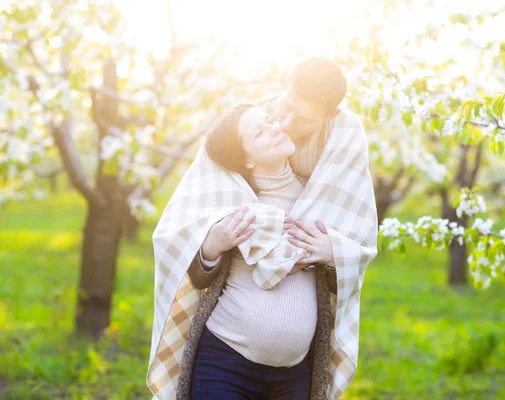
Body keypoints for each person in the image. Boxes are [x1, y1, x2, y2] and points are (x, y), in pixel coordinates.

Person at [147, 57, 378, 400]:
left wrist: (334, 254)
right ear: (247, 158)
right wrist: (212, 245)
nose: (282, 125)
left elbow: (346, 264)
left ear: (327, 119)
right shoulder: (235, 199)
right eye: (275, 116)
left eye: (297, 120)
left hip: (294, 374)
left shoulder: (322, 197)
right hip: (225, 361)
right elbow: (189, 267)